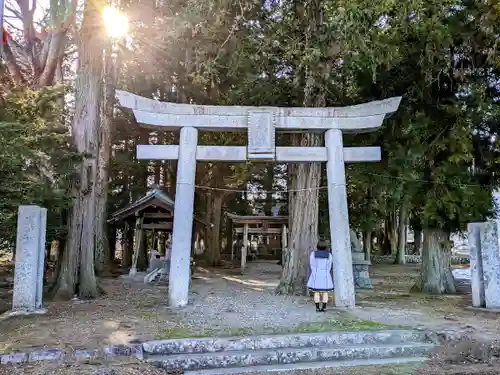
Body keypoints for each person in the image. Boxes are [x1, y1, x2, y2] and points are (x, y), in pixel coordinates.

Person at [307, 241, 334, 312]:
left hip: (316, 274)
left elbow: (311, 264)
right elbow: (329, 265)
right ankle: (324, 308)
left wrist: (314, 271)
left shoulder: (313, 254)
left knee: (316, 292)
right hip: (325, 274)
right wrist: (326, 271)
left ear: (317, 246)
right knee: (325, 292)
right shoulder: (329, 255)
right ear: (326, 247)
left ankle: (317, 308)